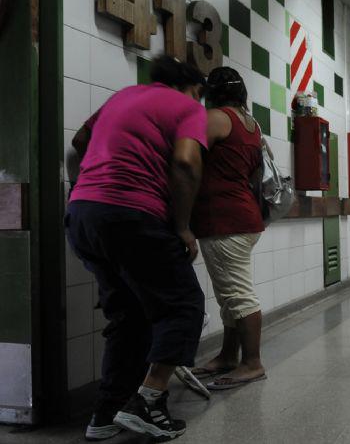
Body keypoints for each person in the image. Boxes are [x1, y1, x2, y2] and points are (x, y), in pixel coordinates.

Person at [66, 55, 207, 442]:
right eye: (199, 94)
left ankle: (105, 414)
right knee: (184, 305)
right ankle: (149, 399)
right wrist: (182, 227)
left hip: (82, 215)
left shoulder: (122, 97)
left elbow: (79, 142)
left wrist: (91, 185)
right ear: (192, 88)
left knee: (128, 317)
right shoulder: (187, 107)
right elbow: (186, 163)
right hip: (133, 214)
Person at [190, 67, 267, 390]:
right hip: (245, 216)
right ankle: (227, 355)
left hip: (224, 218)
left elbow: (188, 158)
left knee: (237, 294)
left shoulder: (216, 118)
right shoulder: (251, 124)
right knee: (228, 295)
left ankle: (252, 363)